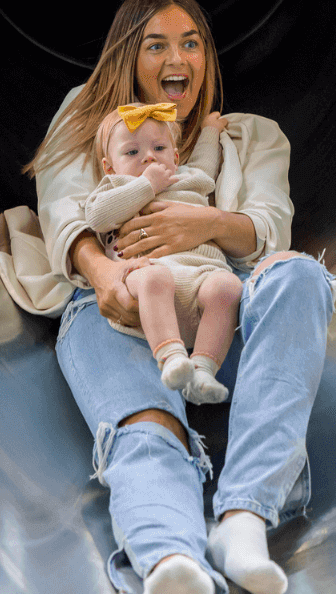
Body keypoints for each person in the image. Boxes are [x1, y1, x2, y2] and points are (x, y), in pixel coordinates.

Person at [0, 0, 336, 594]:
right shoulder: (90, 117)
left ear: (207, 57)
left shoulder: (250, 136)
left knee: (300, 276)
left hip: (221, 300)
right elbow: (65, 210)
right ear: (131, 56)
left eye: (191, 42)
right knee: (148, 425)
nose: (177, 56)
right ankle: (171, 562)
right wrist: (108, 273)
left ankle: (244, 517)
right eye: (157, 44)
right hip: (119, 300)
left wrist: (200, 223)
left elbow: (272, 225)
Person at [84, 102, 238, 404]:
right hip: (148, 278)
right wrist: (145, 185)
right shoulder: (115, 187)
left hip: (200, 276)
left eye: (159, 147)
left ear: (176, 156)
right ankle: (171, 358)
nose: (149, 157)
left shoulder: (188, 176)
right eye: (132, 152)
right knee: (155, 278)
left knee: (228, 287)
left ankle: (202, 371)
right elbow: (97, 217)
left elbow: (207, 160)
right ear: (109, 166)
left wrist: (209, 129)